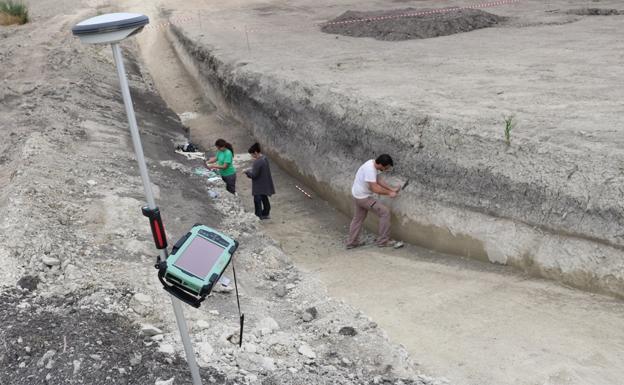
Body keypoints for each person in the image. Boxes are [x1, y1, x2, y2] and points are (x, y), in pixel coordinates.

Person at [346, 154, 401, 249]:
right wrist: (389, 193)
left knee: (358, 219)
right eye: (386, 168)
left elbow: (378, 180)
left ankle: (352, 242)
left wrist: (391, 189)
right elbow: (375, 188)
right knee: (385, 212)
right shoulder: (370, 170)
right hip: (363, 197)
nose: (386, 170)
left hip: (357, 194)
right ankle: (383, 241)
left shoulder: (372, 163)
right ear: (381, 165)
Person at [244, 143, 275, 219]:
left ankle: (259, 215)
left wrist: (246, 172)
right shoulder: (264, 158)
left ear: (255, 152)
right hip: (265, 184)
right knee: (265, 199)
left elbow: (254, 175)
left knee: (257, 201)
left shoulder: (257, 162)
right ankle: (266, 213)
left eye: (252, 154)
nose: (252, 156)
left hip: (258, 185)